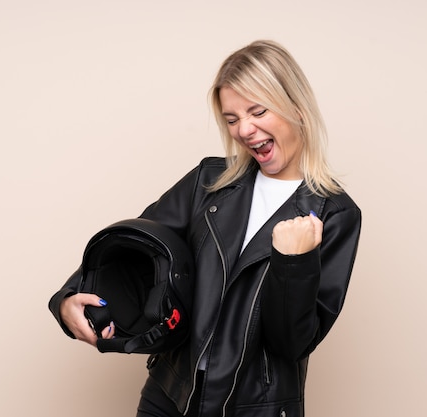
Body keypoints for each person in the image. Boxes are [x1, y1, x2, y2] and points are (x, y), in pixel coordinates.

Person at [49, 40, 361, 417]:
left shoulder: (334, 214)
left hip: (254, 410)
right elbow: (135, 249)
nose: (244, 130)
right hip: (169, 396)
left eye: (258, 111)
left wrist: (292, 261)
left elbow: (290, 344)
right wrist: (68, 298)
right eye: (231, 119)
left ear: (295, 107)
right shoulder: (208, 182)